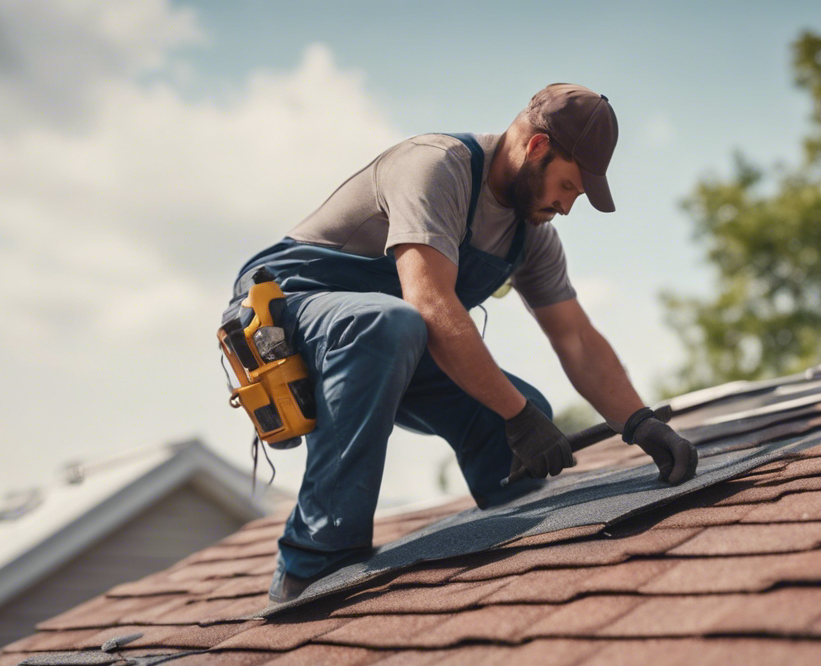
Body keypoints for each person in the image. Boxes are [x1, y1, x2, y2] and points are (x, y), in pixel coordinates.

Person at [228, 83, 698, 603]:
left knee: (516, 416)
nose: (566, 206)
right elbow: (429, 304)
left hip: (388, 340)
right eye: (566, 186)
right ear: (536, 148)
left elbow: (577, 338)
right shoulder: (437, 168)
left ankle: (515, 536)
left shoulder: (530, 236)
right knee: (404, 335)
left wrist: (639, 422)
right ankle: (311, 561)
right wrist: (520, 418)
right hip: (290, 313)